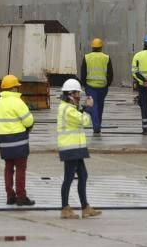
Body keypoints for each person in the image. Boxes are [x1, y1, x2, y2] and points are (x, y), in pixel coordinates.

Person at [56, 78, 102, 219]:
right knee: (68, 178)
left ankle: (85, 207)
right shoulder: (67, 109)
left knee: (83, 176)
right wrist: (88, 108)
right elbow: (84, 121)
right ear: (70, 93)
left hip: (76, 147)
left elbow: (77, 118)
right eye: (77, 93)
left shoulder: (69, 108)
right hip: (71, 148)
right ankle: (65, 208)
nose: (79, 96)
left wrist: (82, 108)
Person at [0, 74, 36, 206]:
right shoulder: (18, 102)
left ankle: (10, 196)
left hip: (4, 140)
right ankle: (21, 196)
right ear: (13, 88)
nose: (18, 89)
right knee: (21, 168)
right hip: (18, 140)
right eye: (17, 87)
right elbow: (29, 121)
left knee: (8, 167)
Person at [81, 38, 112, 135]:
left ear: (92, 47)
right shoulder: (106, 57)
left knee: (94, 106)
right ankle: (98, 125)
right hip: (102, 86)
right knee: (100, 106)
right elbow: (110, 73)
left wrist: (84, 84)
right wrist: (108, 84)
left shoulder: (87, 57)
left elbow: (83, 72)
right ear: (101, 47)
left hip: (90, 86)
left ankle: (96, 126)